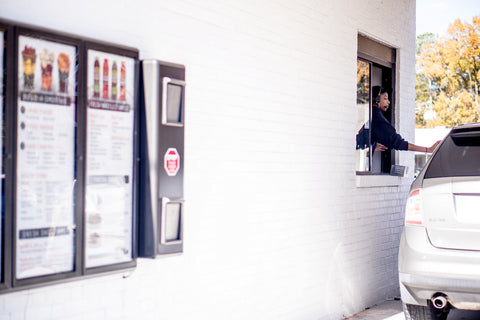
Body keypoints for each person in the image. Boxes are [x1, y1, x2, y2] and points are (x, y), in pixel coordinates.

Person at [371, 86, 440, 153]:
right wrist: (428, 150)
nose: (388, 102)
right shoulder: (376, 116)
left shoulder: (371, 114)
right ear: (377, 100)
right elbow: (398, 143)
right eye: (385, 99)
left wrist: (371, 146)